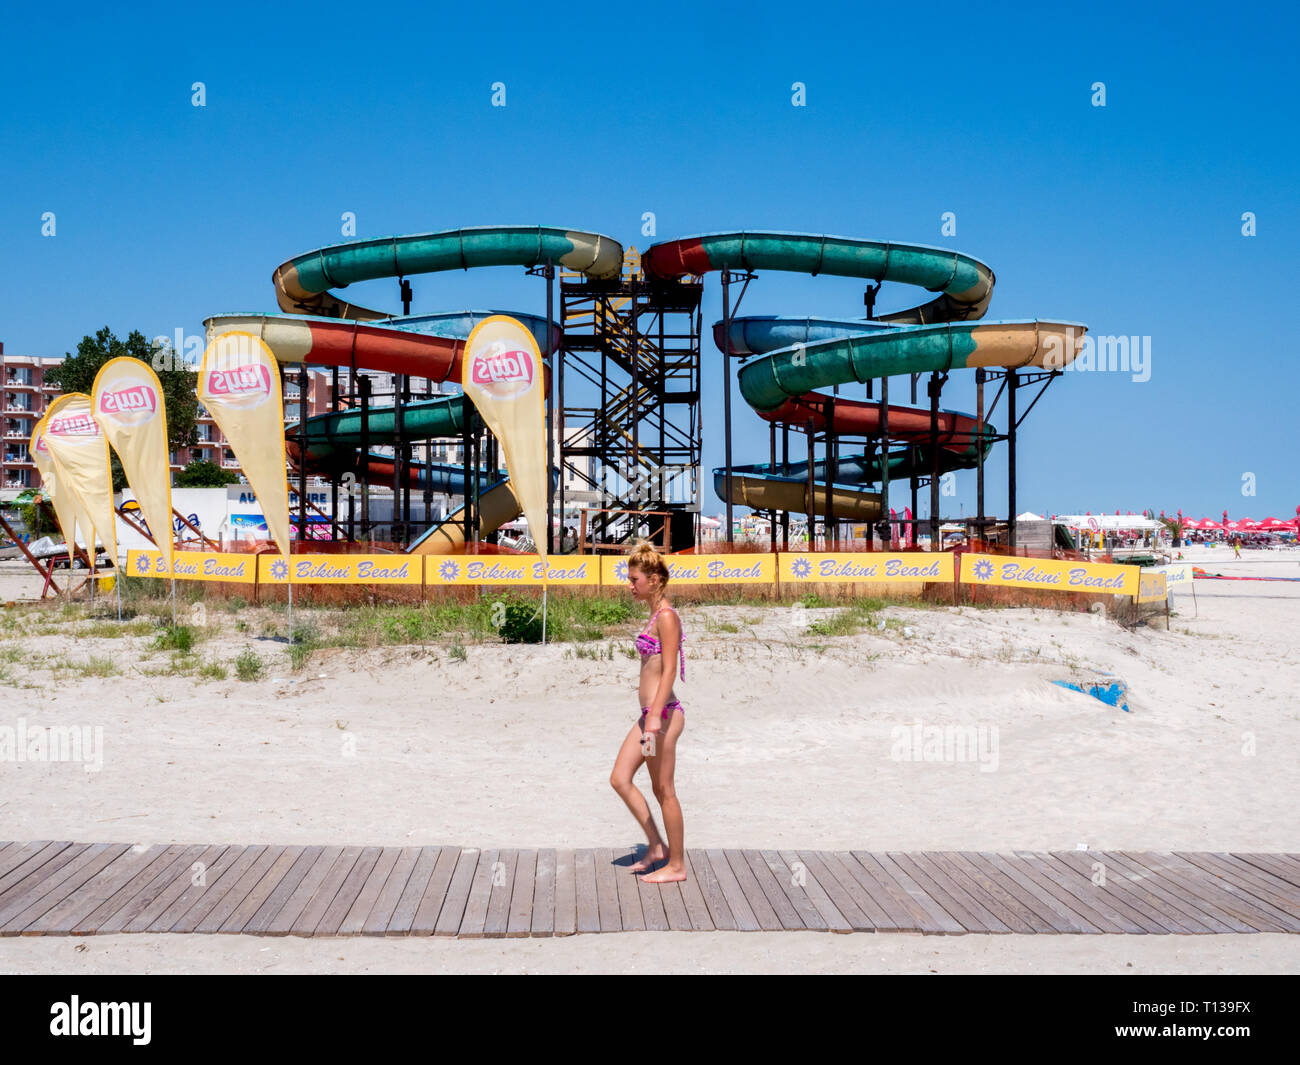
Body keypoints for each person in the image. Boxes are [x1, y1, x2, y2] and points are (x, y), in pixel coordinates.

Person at [609, 540, 687, 883]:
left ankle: (677, 865)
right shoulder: (654, 614)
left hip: (662, 718)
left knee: (663, 789)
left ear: (654, 579)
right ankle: (656, 846)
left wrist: (654, 716)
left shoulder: (667, 617)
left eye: (635, 579)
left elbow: (669, 670)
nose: (630, 585)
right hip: (649, 718)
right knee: (620, 779)